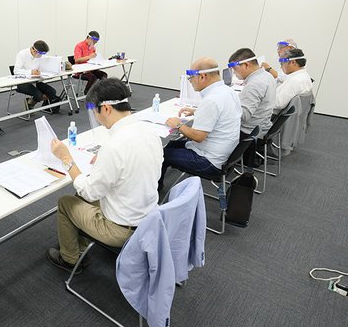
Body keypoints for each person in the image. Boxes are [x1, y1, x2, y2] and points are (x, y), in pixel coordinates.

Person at [46, 78, 163, 273]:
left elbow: (89, 192)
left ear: (106, 108)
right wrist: (106, 161)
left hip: (121, 230)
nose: (95, 116)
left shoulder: (114, 146)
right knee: (82, 198)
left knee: (66, 202)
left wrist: (66, 159)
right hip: (148, 219)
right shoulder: (148, 131)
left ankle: (70, 259)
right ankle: (80, 244)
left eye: (94, 111)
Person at [160, 58, 241, 189]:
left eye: (191, 78)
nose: (190, 81)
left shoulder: (211, 100)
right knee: (172, 144)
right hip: (224, 154)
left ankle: (155, 191)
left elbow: (198, 137)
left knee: (160, 154)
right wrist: (198, 111)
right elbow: (221, 114)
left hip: (208, 161)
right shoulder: (228, 91)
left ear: (202, 76)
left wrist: (178, 124)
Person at [227, 48, 277, 167]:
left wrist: (223, 107)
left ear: (246, 65)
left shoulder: (255, 84)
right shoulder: (266, 75)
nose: (234, 73)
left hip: (247, 132)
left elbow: (243, 116)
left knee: (210, 128)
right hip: (260, 126)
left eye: (235, 69)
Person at [13, 40, 58, 109]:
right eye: (41, 53)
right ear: (34, 50)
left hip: (36, 80)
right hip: (22, 82)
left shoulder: (39, 56)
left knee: (52, 92)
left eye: (43, 53)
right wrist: (31, 72)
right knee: (39, 95)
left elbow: (45, 66)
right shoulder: (22, 54)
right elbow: (16, 71)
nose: (41, 55)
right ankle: (31, 103)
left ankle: (30, 102)